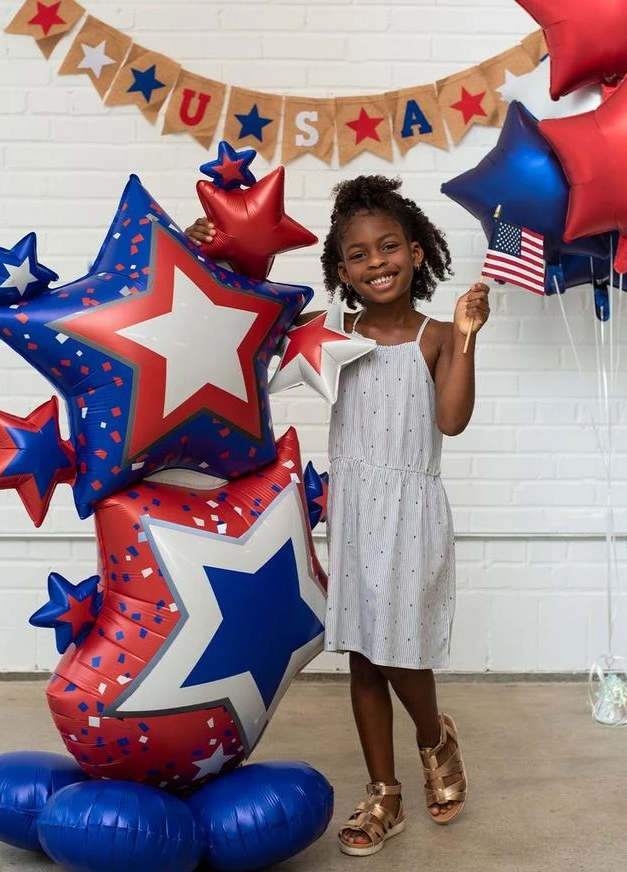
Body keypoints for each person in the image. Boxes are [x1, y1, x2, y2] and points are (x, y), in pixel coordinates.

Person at [185, 174, 490, 857]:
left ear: (417, 252)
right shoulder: (328, 334)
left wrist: (468, 338)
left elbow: (451, 420)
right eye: (358, 254)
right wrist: (203, 251)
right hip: (354, 511)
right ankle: (384, 794)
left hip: (411, 513)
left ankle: (433, 738)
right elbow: (241, 320)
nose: (376, 261)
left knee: (399, 647)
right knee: (364, 655)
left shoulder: (439, 336)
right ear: (342, 269)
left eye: (389, 247)